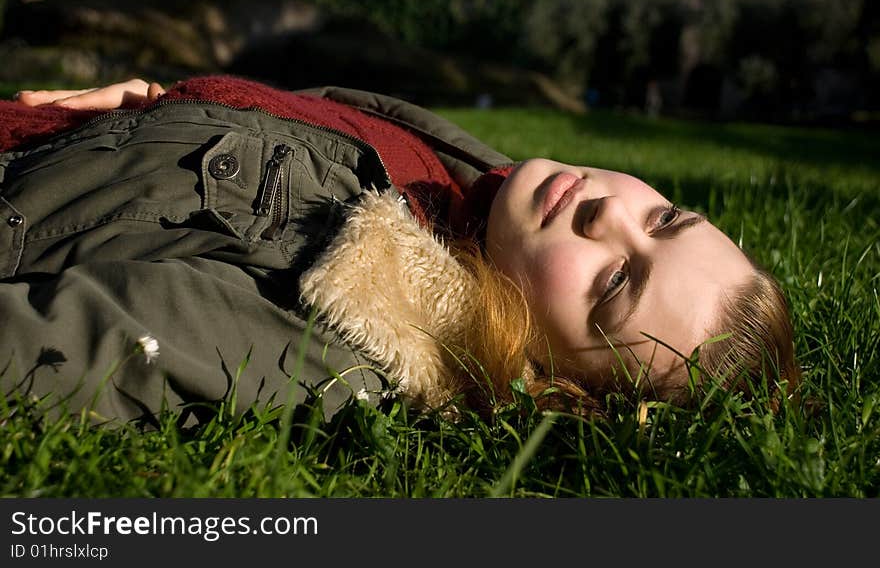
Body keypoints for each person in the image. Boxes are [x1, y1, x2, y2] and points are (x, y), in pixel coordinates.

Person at [0, 76, 800, 425]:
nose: (608, 214)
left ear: (554, 382)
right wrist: (160, 113)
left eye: (617, 281)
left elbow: (70, 344)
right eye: (664, 219)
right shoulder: (479, 199)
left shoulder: (346, 313)